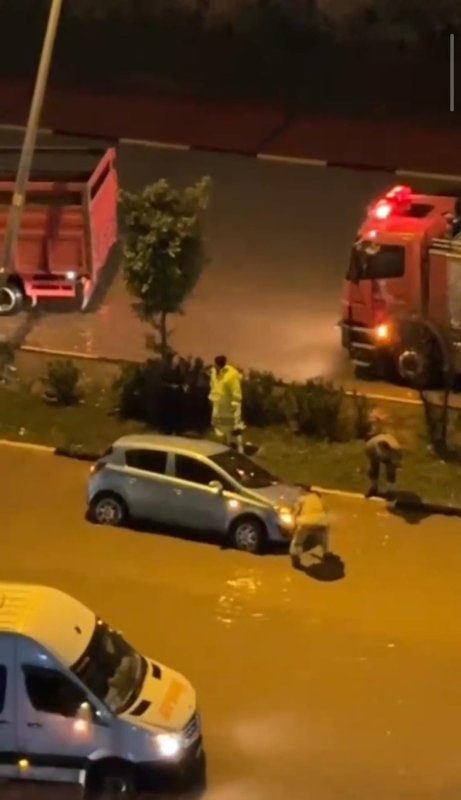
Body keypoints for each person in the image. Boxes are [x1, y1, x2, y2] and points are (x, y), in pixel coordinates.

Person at [209, 355, 245, 453]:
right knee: (222, 429)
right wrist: (211, 398)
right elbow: (213, 386)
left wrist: (234, 404)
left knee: (235, 428)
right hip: (219, 407)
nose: (215, 365)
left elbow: (236, 390)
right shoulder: (214, 372)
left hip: (230, 406)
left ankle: (240, 449)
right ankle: (226, 448)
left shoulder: (231, 374)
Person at [365, 410, 402, 499]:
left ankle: (391, 490)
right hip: (375, 450)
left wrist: (394, 462)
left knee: (391, 469)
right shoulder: (370, 447)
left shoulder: (395, 449)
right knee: (373, 467)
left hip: (390, 453)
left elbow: (396, 464)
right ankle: (373, 487)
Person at [289, 490, 331, 569]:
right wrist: (327, 526)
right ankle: (326, 553)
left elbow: (295, 513)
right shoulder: (319, 499)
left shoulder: (302, 498)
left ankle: (296, 559)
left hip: (305, 522)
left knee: (297, 542)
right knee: (324, 539)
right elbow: (326, 512)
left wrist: (293, 527)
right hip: (321, 521)